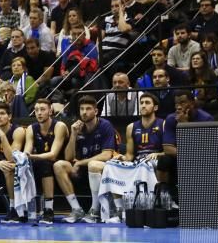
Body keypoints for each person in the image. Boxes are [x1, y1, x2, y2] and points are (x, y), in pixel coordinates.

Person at [90, 93, 164, 223]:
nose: (143, 105)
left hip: (155, 159)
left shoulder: (162, 124)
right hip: (138, 161)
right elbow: (130, 155)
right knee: (111, 165)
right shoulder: (131, 127)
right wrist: (121, 158)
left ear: (155, 108)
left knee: (146, 165)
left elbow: (169, 149)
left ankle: (147, 207)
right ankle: (120, 210)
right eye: (141, 103)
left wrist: (159, 154)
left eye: (147, 103)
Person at [53, 96, 117, 223]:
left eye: (88, 109)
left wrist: (81, 162)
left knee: (93, 164)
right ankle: (76, 209)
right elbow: (68, 157)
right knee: (59, 165)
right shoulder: (78, 127)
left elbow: (107, 155)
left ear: (96, 111)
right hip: (82, 169)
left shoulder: (105, 125)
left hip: (103, 169)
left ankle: (95, 210)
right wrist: (73, 134)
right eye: (82, 109)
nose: (84, 112)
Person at [25, 99, 69, 225]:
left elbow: (53, 154)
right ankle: (21, 209)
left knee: (46, 164)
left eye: (42, 110)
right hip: (40, 161)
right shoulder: (31, 128)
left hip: (60, 163)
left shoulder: (59, 126)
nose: (39, 113)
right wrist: (24, 156)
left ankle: (49, 209)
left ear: (50, 111)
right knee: (23, 166)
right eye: (36, 110)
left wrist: (31, 156)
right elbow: (27, 149)